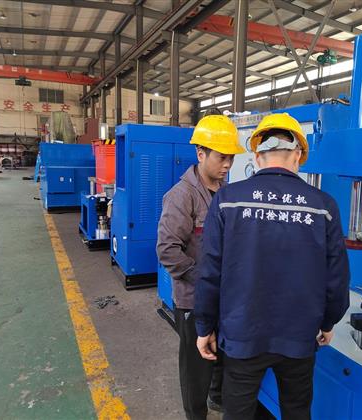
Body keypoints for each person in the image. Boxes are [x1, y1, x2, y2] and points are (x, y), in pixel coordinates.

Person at [194, 113, 350, 420]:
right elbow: (337, 278)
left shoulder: (227, 200)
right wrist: (328, 322)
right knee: (296, 411)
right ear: (298, 155)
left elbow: (210, 271)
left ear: (256, 156)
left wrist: (204, 327)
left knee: (238, 413)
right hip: (299, 335)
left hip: (242, 335)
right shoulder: (323, 206)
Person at [157, 114, 245, 420]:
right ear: (201, 154)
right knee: (196, 366)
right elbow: (167, 250)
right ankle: (196, 413)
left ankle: (217, 398)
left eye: (231, 158)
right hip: (194, 299)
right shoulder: (181, 197)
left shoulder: (226, 192)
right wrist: (206, 280)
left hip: (225, 296)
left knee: (219, 354)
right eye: (221, 157)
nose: (227, 165)